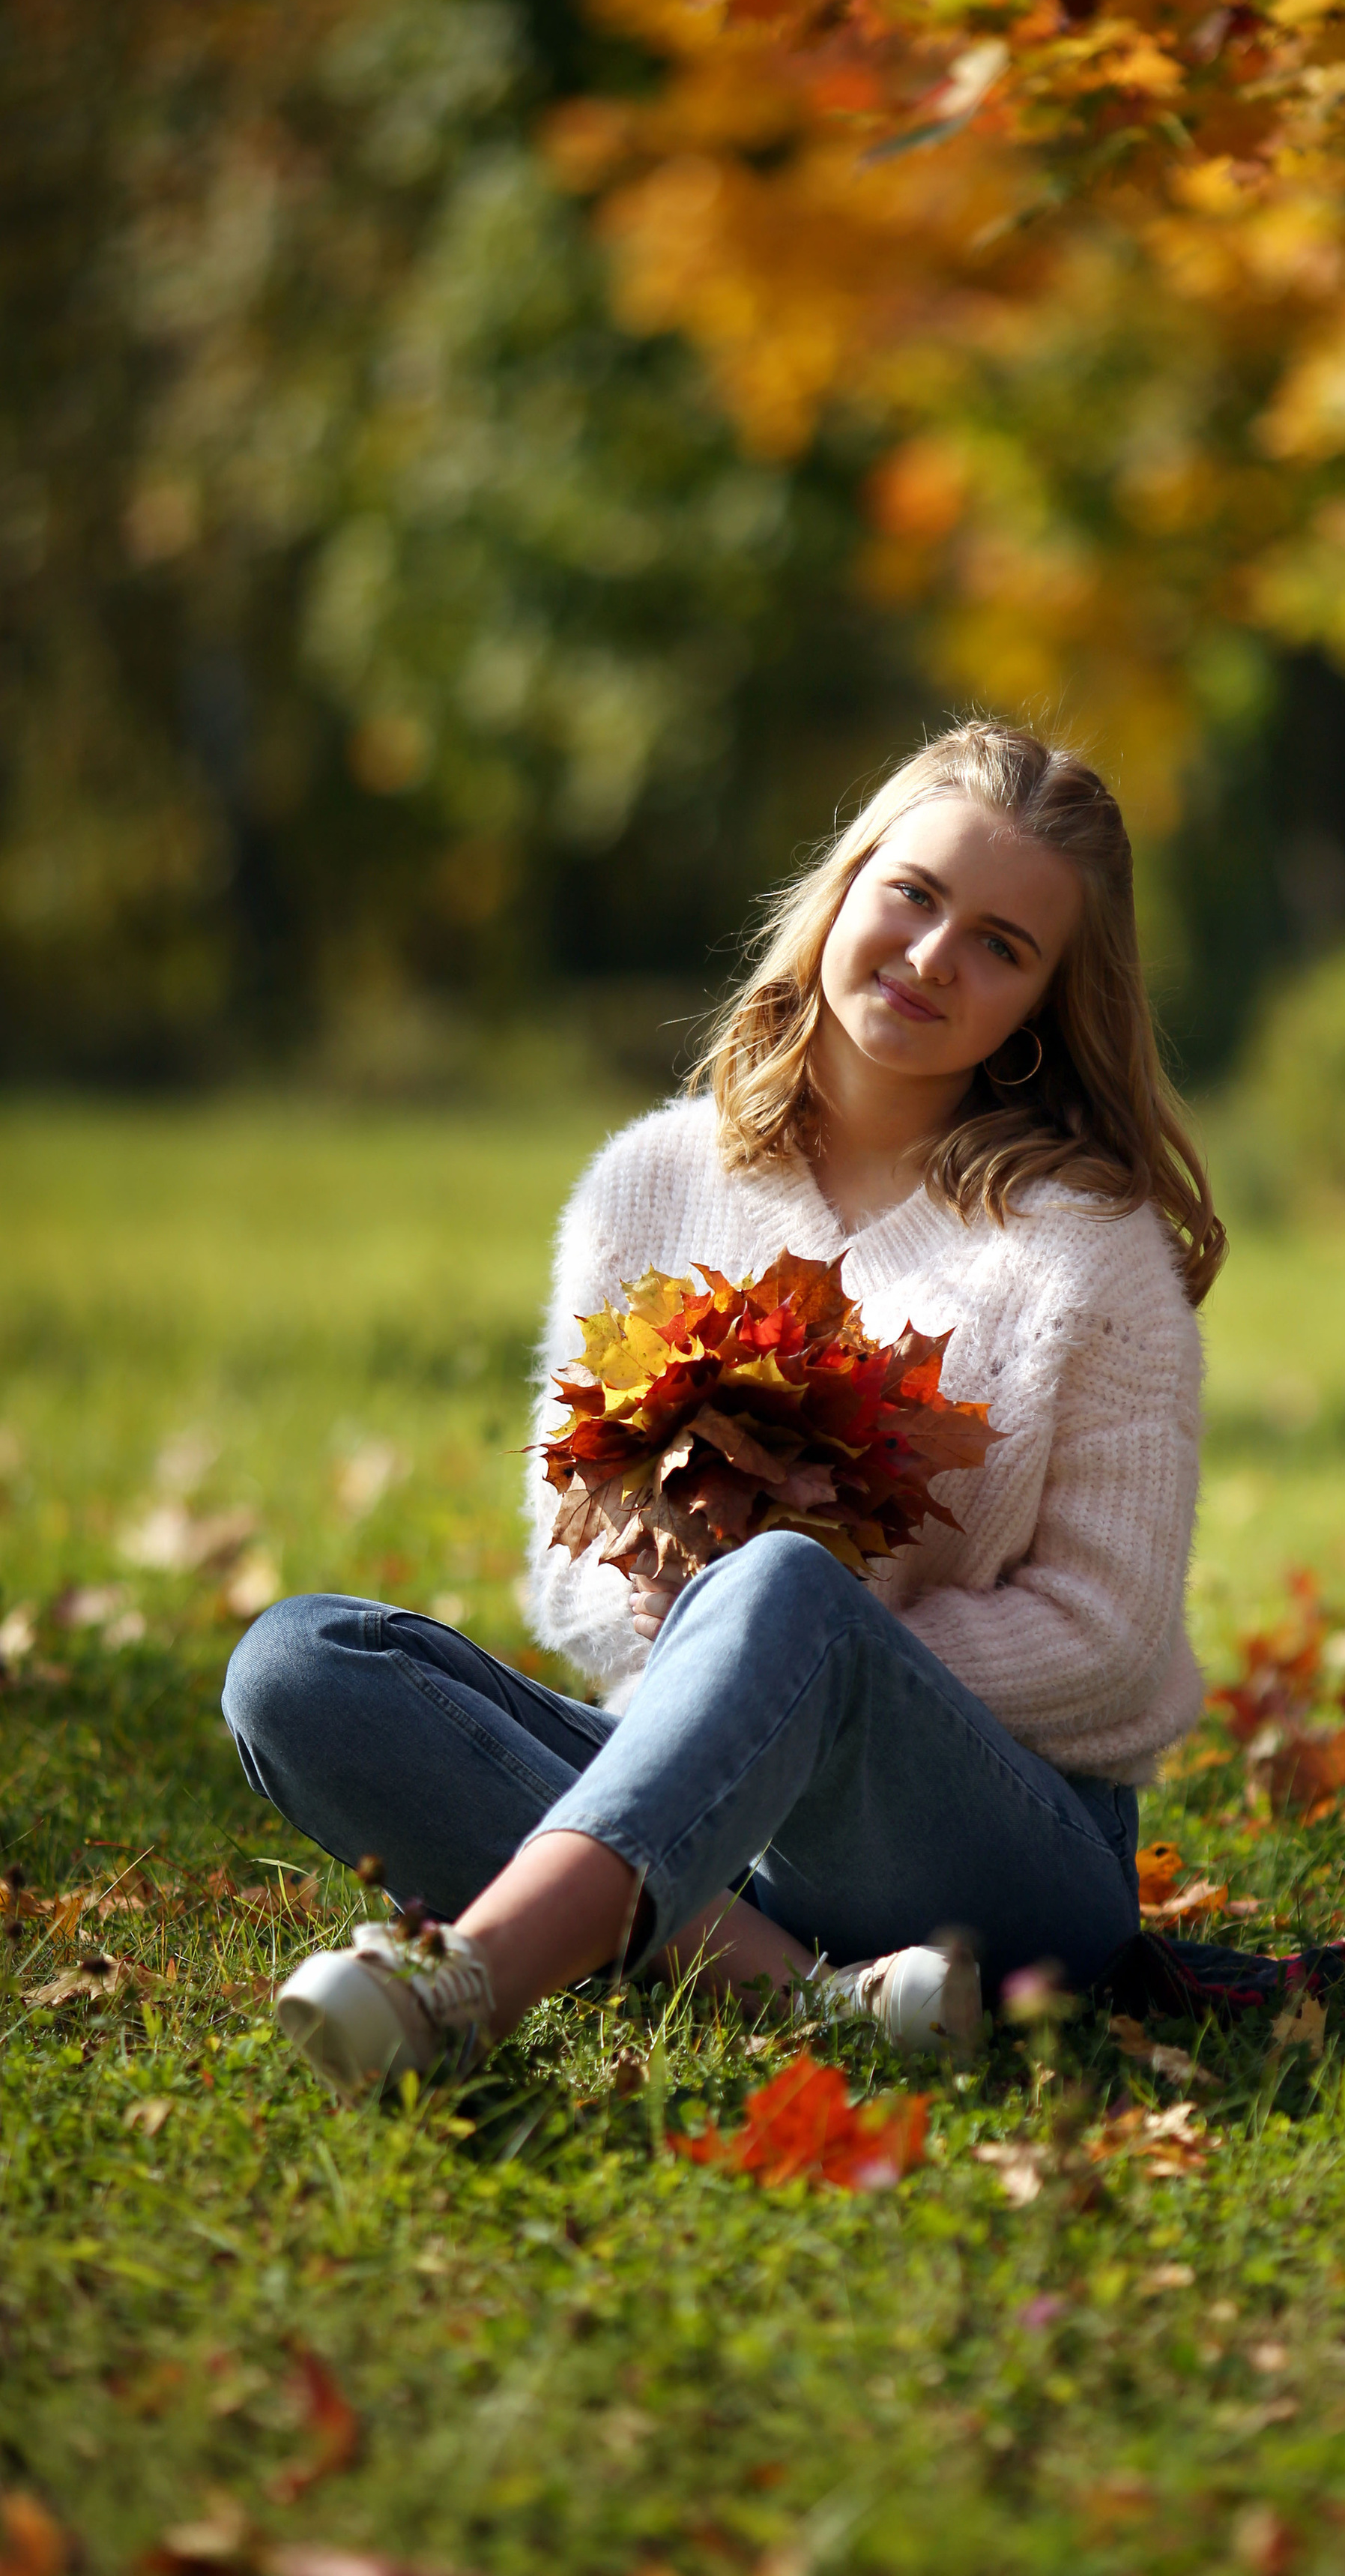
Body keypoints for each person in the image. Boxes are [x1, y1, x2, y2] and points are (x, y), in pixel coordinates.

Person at [224, 720, 1226, 2095]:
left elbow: (1108, 1640)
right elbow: (569, 1557)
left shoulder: (1084, 1249)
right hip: (703, 1796)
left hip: (992, 1849)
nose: (934, 956)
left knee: (783, 1588)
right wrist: (669, 1606)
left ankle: (474, 1980)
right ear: (847, 887)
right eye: (914, 894)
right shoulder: (649, 1182)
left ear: (1045, 1004)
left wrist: (817, 1642)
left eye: (1001, 945)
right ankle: (817, 1997)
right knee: (297, 1667)